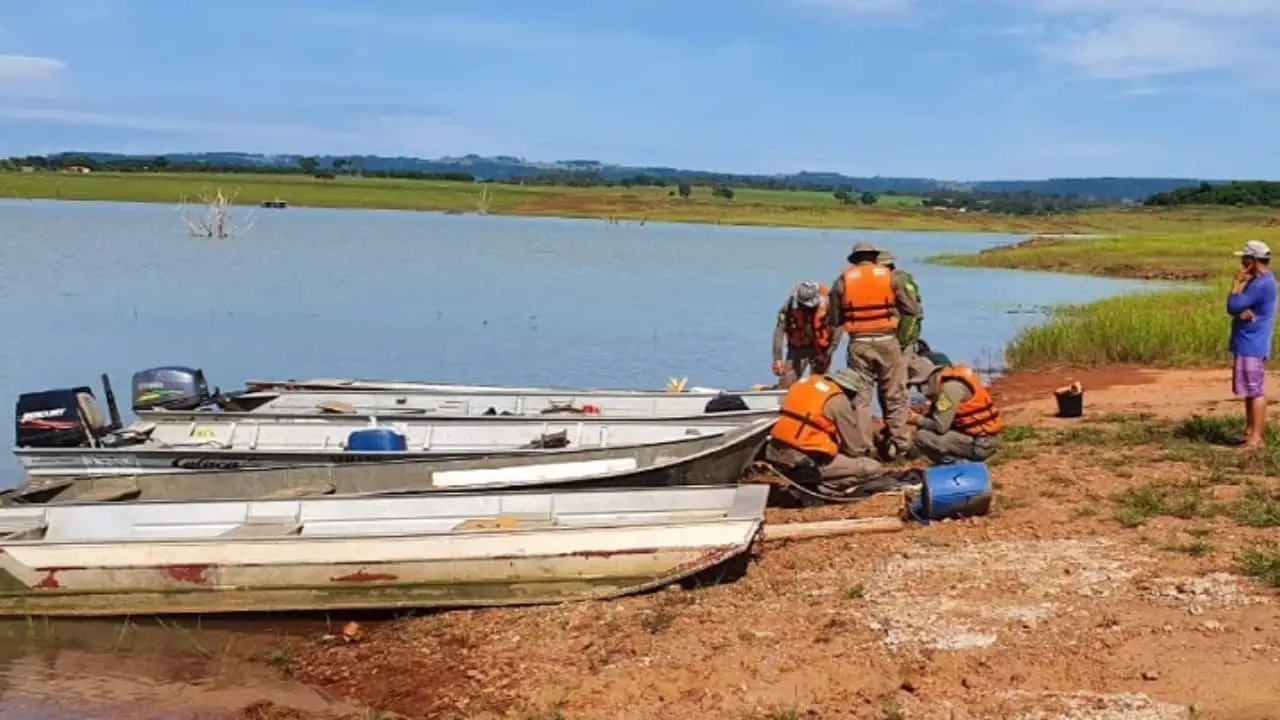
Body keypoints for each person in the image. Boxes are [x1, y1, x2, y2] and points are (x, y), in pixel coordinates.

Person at [827, 241, 921, 459]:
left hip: (859, 343)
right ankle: (901, 443)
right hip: (888, 340)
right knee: (894, 394)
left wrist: (829, 351)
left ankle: (864, 447)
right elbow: (913, 309)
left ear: (854, 260)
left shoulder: (843, 281)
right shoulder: (891, 277)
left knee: (861, 397)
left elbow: (835, 319)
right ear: (874, 257)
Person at [764, 368, 884, 495]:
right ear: (849, 391)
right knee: (873, 467)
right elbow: (854, 448)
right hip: (805, 463)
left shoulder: (803, 385)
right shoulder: (838, 399)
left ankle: (807, 484)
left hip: (774, 454)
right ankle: (823, 487)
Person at [1227, 239, 1278, 449]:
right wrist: (1241, 310)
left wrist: (1237, 284)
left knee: (1255, 390)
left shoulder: (1261, 284)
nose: (1241, 262)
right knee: (1249, 389)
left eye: (1245, 258)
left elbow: (1233, 304)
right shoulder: (1260, 281)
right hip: (1248, 342)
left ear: (1253, 261)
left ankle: (1256, 437)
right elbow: (1239, 308)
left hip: (1252, 344)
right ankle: (1250, 432)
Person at [908, 351, 1003, 464]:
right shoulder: (948, 385)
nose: (919, 391)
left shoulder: (949, 389)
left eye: (919, 386)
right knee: (925, 431)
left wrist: (916, 419)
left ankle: (958, 465)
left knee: (922, 437)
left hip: (981, 443)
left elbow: (940, 426)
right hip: (981, 437)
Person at [771, 281, 841, 389]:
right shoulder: (789, 305)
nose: (806, 307)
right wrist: (777, 358)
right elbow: (779, 330)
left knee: (820, 385)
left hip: (820, 350)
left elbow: (837, 331)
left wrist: (828, 353)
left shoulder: (828, 305)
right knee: (786, 384)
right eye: (803, 305)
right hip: (797, 349)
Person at [879, 249, 924, 361]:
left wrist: (901, 341)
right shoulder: (899, 278)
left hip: (904, 334)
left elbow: (912, 311)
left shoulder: (897, 280)